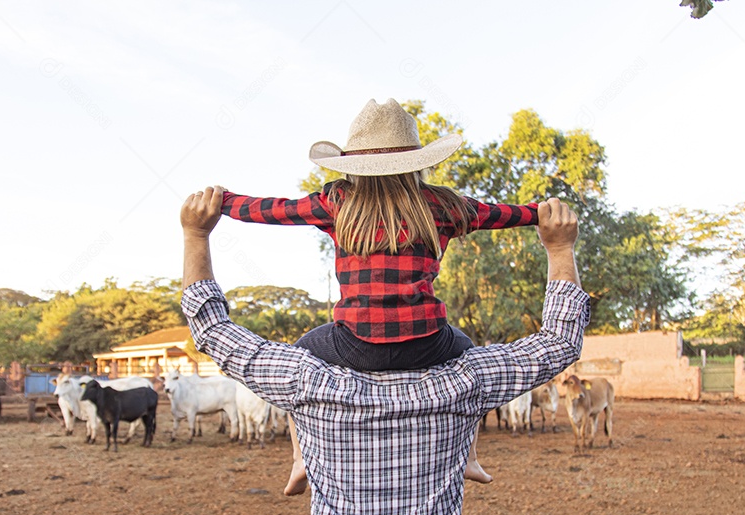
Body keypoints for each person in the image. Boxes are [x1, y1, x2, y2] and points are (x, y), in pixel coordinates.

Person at [181, 184, 589, 515]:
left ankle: (304, 457)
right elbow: (560, 340)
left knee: (311, 345)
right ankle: (465, 452)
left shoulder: (307, 378)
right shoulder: (464, 379)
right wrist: (559, 248)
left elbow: (212, 331)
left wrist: (196, 234)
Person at [218, 99, 542, 495]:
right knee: (467, 351)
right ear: (418, 162)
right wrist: (543, 212)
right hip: (428, 344)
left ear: (352, 167)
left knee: (302, 355)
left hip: (354, 344)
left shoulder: (337, 202)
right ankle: (470, 455)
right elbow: (504, 214)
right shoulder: (441, 205)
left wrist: (222, 201)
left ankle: (300, 459)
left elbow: (272, 210)